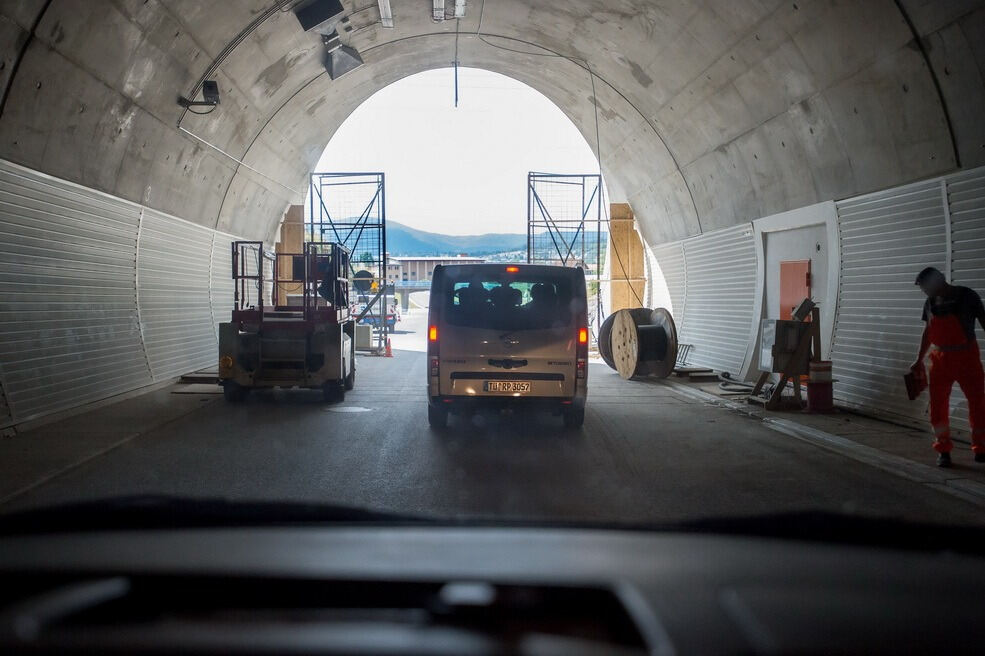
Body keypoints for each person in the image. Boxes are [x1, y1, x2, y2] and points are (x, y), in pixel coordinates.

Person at [910, 267, 985, 467]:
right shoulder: (929, 303)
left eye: (925, 288)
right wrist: (918, 359)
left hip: (966, 356)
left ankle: (981, 448)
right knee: (938, 406)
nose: (925, 292)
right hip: (939, 358)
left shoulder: (968, 296)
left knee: (978, 403)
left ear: (937, 282)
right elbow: (928, 332)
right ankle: (943, 451)